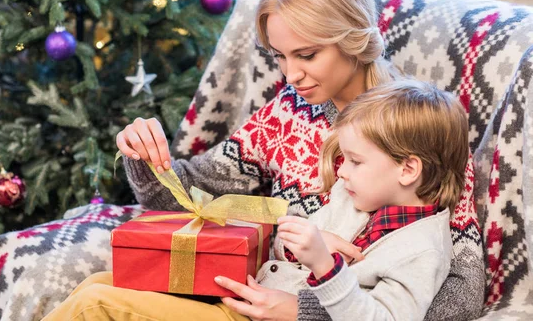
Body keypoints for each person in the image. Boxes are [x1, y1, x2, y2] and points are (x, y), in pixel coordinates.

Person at [113, 0, 484, 320]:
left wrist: (307, 312)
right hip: (258, 292)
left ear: (353, 37)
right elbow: (184, 197)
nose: (291, 75)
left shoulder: (419, 125)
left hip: (294, 309)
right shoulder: (288, 110)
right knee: (99, 287)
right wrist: (145, 156)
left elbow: (463, 291)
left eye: (307, 55)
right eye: (279, 56)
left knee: (96, 302)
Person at [41, 79, 467, 321]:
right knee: (99, 283)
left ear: (408, 169)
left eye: (354, 161)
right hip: (246, 295)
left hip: (251, 318)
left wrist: (324, 265)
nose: (342, 171)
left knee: (93, 306)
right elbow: (289, 246)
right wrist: (295, 241)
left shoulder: (423, 247)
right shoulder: (357, 196)